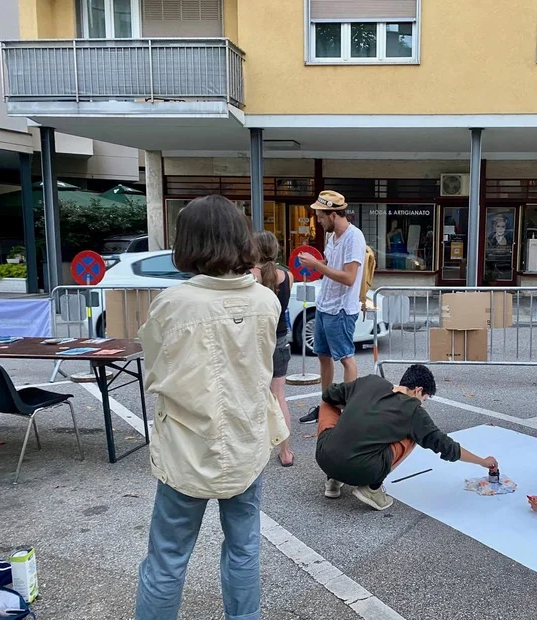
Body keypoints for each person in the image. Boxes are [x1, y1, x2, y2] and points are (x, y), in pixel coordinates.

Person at [134, 195, 289, 620]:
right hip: (246, 441)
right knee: (243, 547)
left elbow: (155, 370)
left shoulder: (173, 303)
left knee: (167, 558)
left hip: (187, 446)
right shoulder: (266, 300)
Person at [315, 364, 499, 510]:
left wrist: (355, 407)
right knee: (413, 434)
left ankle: (333, 479)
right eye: (424, 399)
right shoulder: (413, 411)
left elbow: (330, 393)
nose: (422, 404)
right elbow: (446, 446)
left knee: (327, 403)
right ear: (418, 390)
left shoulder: (370, 382)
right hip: (363, 471)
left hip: (325, 458)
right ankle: (372, 489)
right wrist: (482, 461)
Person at [296, 190, 366, 424]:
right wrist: (318, 263)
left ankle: (349, 410)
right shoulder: (331, 237)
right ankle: (327, 406)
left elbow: (348, 277)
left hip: (342, 308)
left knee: (346, 358)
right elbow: (333, 265)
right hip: (325, 305)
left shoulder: (354, 238)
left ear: (334, 214)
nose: (318, 220)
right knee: (323, 356)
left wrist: (317, 264)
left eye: (321, 216)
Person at [252, 230, 295, 467]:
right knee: (279, 396)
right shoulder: (286, 276)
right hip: (279, 339)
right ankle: (286, 451)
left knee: (252, 394)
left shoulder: (249, 275)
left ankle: (255, 450)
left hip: (255, 342)